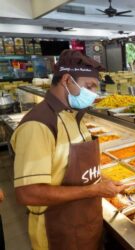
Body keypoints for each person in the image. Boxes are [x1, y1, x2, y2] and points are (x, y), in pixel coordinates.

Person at [10, 50, 127, 250]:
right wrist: (93, 189)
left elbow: (71, 168)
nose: (92, 94)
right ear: (66, 80)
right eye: (88, 86)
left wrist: (100, 179)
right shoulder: (38, 125)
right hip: (57, 232)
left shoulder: (73, 115)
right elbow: (28, 193)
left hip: (85, 223)